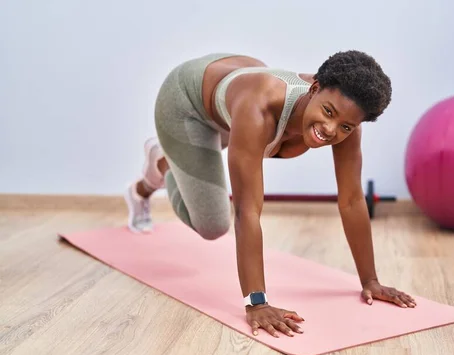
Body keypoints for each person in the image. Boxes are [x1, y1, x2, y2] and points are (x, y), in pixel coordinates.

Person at [124, 51, 417, 338]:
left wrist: (371, 280)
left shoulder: (347, 121)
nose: (330, 130)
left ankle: (180, 157)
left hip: (231, 92)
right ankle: (163, 160)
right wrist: (257, 303)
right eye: (328, 112)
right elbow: (247, 210)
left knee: (243, 139)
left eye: (345, 126)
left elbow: (352, 200)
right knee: (212, 225)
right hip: (186, 101)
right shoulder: (259, 109)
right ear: (314, 88)